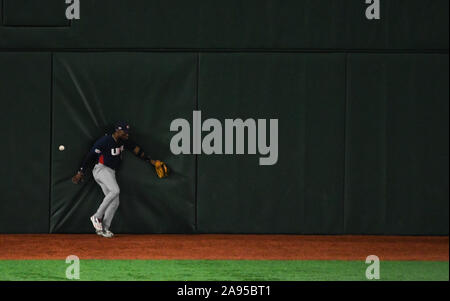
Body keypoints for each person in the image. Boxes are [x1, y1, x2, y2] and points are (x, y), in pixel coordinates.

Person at [72, 121, 160, 238]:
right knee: (115, 191)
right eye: (125, 132)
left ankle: (103, 229)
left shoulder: (124, 141)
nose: (127, 135)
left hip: (110, 172)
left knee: (115, 202)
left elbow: (137, 150)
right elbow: (90, 156)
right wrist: (80, 172)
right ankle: (97, 216)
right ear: (118, 131)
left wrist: (150, 160)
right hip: (101, 169)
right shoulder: (105, 141)